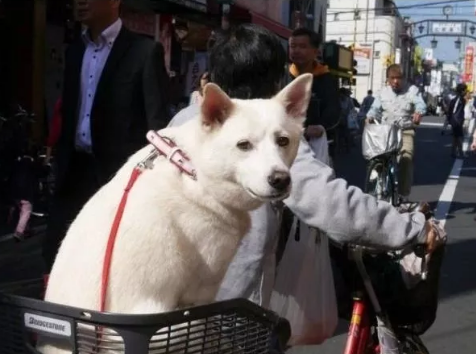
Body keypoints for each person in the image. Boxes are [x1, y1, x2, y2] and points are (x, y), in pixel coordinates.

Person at [169, 24, 438, 309]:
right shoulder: (269, 131)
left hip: (166, 305)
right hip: (229, 311)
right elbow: (331, 203)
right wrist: (413, 229)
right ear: (275, 81)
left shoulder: (183, 121)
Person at [42, 0, 170, 270]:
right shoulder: (76, 51)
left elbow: (157, 125)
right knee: (58, 254)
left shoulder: (145, 52)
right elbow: (68, 109)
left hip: (119, 176)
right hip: (74, 170)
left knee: (113, 261)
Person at [366, 64, 426, 202]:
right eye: (392, 78)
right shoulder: (382, 92)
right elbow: (375, 109)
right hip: (385, 132)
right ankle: (378, 178)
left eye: (398, 78)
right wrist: (369, 117)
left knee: (406, 158)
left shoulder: (412, 91)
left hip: (405, 131)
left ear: (404, 78)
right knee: (375, 156)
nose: (395, 81)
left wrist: (418, 112)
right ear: (387, 79)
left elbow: (420, 104)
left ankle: (403, 195)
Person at [288, 28, 340, 147]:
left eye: (302, 46)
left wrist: (321, 126)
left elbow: (333, 111)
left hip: (314, 143)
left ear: (315, 51)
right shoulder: (283, 76)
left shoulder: (326, 79)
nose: (296, 50)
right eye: (293, 46)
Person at [447, 83, 467, 158]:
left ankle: (453, 152)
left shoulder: (458, 99)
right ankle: (461, 153)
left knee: (455, 137)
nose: (466, 92)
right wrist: (453, 120)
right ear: (461, 91)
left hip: (456, 120)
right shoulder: (459, 99)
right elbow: (454, 111)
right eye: (465, 90)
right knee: (459, 137)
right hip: (457, 121)